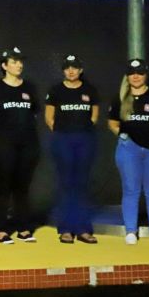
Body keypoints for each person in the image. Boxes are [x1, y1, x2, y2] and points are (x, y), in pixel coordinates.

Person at [108, 59, 149, 246]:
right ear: (127, 76)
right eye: (132, 73)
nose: (135, 76)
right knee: (131, 191)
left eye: (139, 72)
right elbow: (112, 123)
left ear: (145, 75)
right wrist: (123, 136)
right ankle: (131, 231)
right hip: (128, 151)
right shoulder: (120, 97)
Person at [0, 47, 40, 245]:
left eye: (20, 61)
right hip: (3, 147)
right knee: (3, 186)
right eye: (14, 62)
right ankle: (2, 229)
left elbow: (34, 114)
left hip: (27, 146)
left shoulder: (29, 88)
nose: (19, 65)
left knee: (22, 187)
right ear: (4, 66)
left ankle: (23, 228)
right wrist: (1, 134)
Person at [44, 54, 99, 244]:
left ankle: (83, 229)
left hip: (84, 139)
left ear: (80, 70)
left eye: (74, 67)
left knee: (81, 184)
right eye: (67, 68)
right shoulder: (56, 90)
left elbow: (94, 116)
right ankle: (66, 229)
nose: (71, 71)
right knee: (66, 184)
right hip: (63, 139)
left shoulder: (89, 90)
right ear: (63, 71)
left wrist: (81, 131)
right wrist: (63, 133)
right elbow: (49, 118)